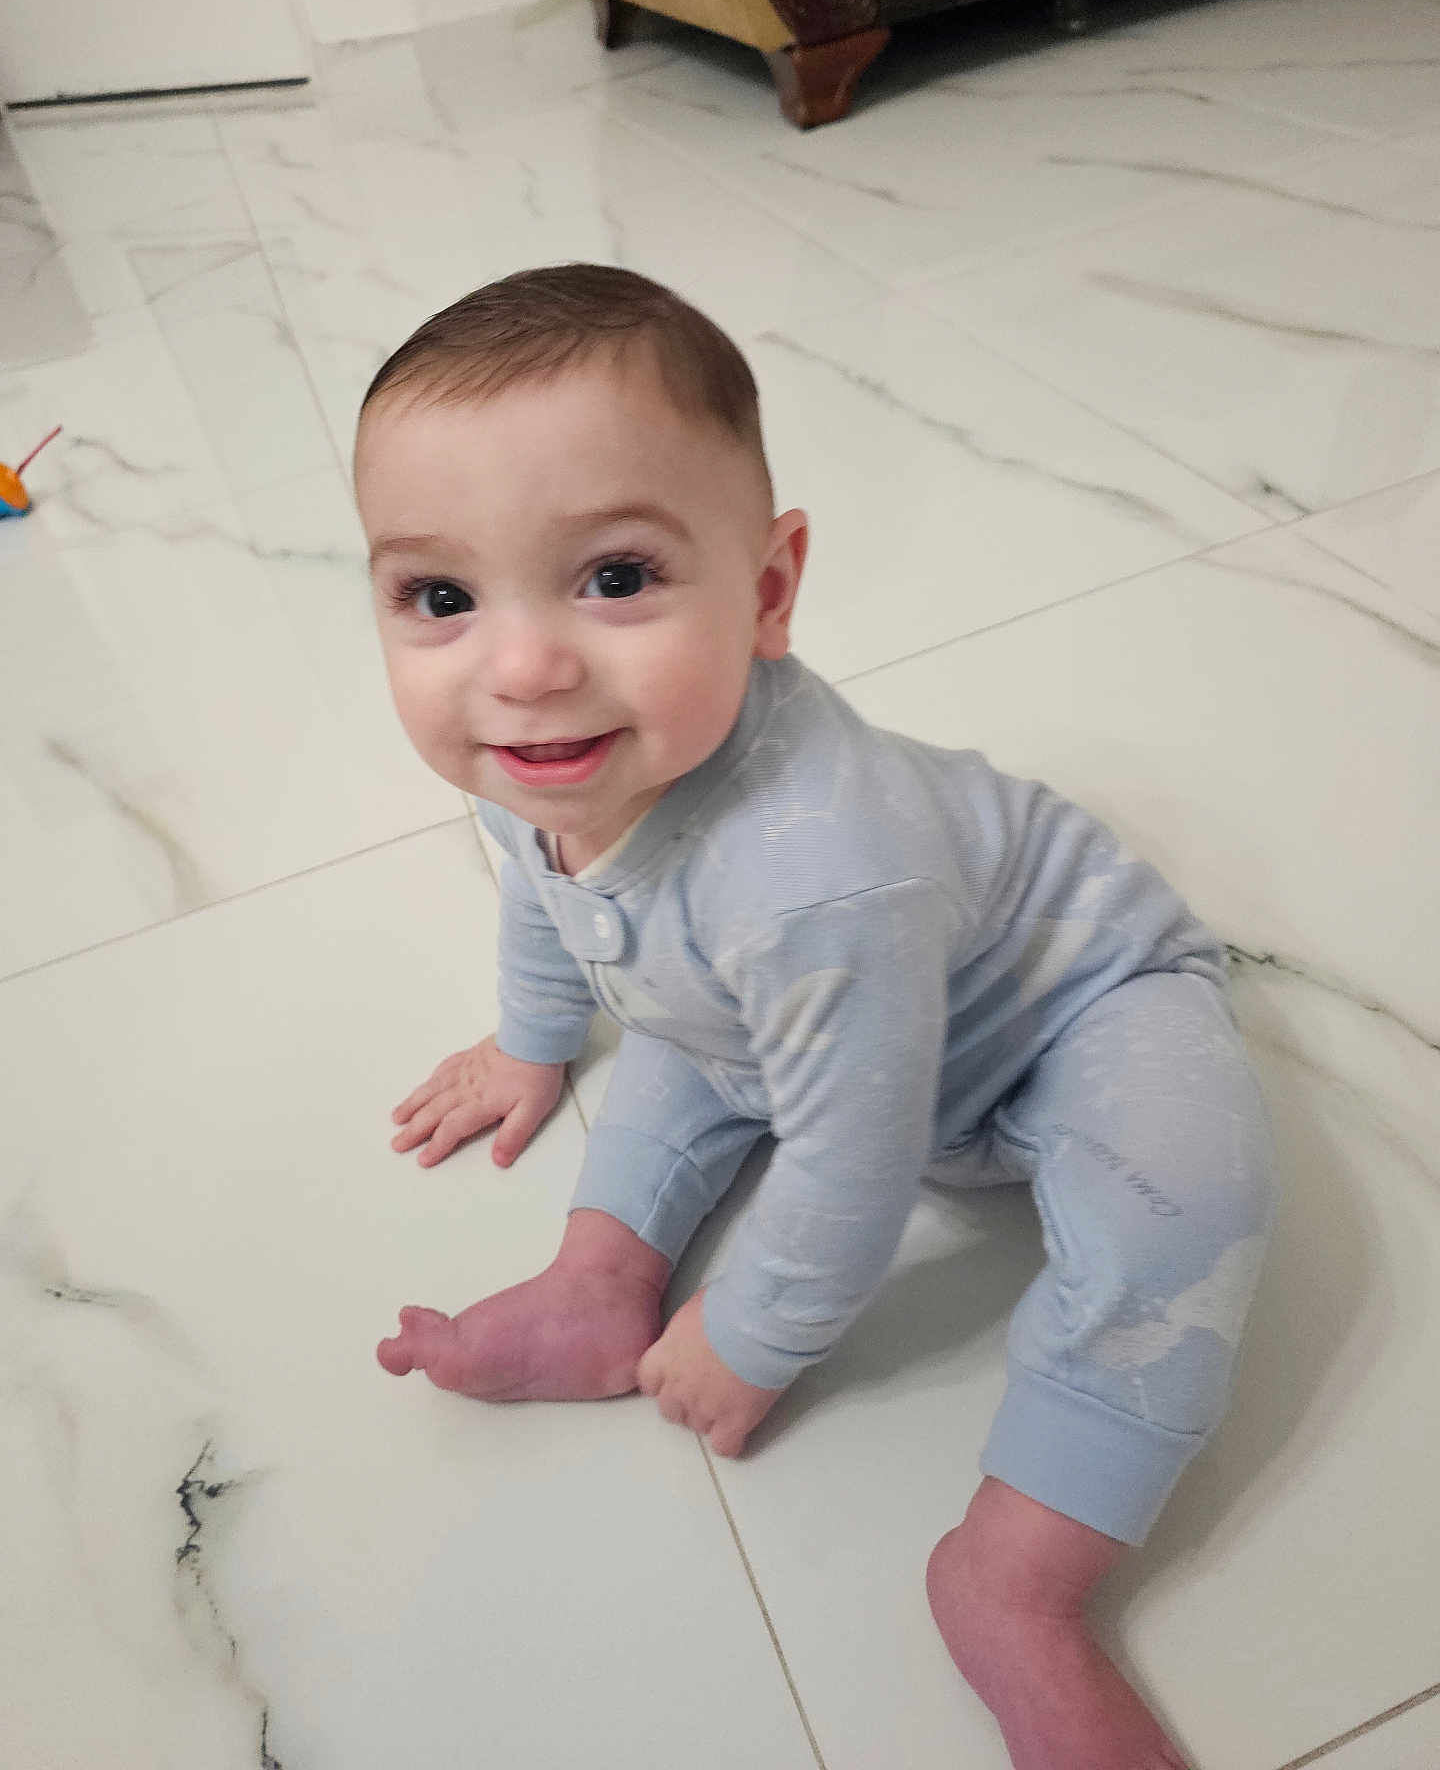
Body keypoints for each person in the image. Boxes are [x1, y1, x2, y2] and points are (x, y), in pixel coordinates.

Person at [355, 264, 1275, 1770]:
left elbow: (852, 1161)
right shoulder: (546, 766)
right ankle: (601, 1278)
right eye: (440, 598)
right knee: (678, 1045)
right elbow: (538, 895)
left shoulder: (813, 874)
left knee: (1190, 1209)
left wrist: (762, 1331)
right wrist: (530, 1043)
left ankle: (1016, 1576)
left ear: (769, 588)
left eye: (616, 577)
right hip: (794, 1015)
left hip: (1068, 1013)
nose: (520, 670)